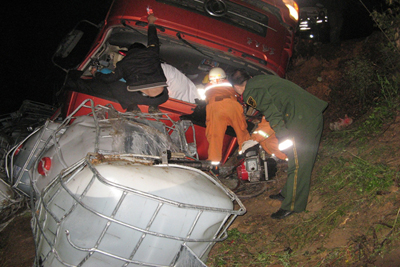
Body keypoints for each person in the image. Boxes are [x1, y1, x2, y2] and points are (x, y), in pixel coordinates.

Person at [229, 69, 328, 219]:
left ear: (236, 86)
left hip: (302, 120)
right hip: (304, 113)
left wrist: (283, 137)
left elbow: (273, 114)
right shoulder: (261, 80)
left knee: (299, 164)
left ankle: (293, 205)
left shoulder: (252, 92)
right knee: (297, 161)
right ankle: (287, 193)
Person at [92, 13, 167, 113]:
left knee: (114, 83)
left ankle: (131, 106)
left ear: (129, 53)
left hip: (138, 98)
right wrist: (151, 22)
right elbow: (153, 38)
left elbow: (109, 78)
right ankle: (154, 106)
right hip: (162, 98)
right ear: (143, 49)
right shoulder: (152, 52)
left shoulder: (123, 63)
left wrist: (95, 73)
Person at [204, 67, 250, 171]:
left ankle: (213, 165)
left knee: (215, 136)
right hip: (232, 105)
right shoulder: (229, 83)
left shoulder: (207, 86)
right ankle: (246, 154)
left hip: (214, 107)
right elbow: (238, 93)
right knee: (241, 130)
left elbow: (205, 97)